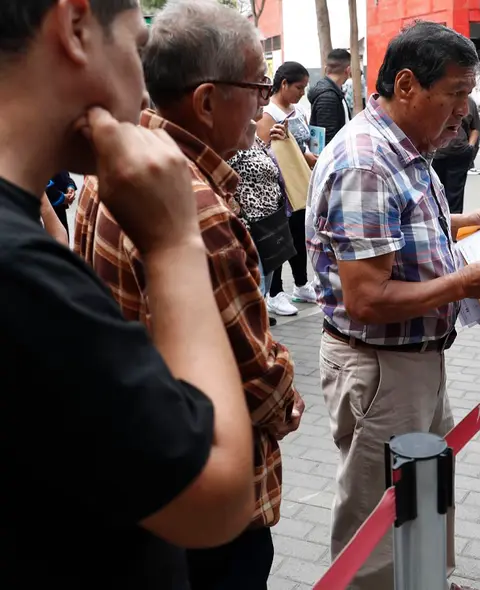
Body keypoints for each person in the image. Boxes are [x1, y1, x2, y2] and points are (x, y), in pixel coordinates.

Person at [1, 0, 255, 587]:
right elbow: (215, 495)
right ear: (75, 26)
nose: (145, 92)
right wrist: (173, 244)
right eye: (138, 49)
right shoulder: (23, 275)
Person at [74, 2, 302, 588]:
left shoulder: (122, 162)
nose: (262, 104)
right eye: (256, 87)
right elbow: (256, 382)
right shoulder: (196, 209)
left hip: (143, 471)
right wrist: (288, 397)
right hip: (210, 501)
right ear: (205, 101)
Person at [306, 21, 480, 590]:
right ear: (407, 85)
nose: (463, 112)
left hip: (416, 359)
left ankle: (426, 578)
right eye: (454, 95)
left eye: (468, 95)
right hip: (382, 369)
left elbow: (398, 227)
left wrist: (464, 222)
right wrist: (461, 284)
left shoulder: (403, 146)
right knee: (376, 517)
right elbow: (366, 298)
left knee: (428, 488)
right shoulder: (366, 163)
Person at [258, 61, 318, 316]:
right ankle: (275, 292)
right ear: (283, 84)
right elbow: (260, 151)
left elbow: (302, 147)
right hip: (277, 189)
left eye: (304, 88)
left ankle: (301, 283)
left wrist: (311, 158)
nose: (301, 93)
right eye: (298, 87)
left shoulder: (297, 110)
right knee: (280, 239)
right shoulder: (267, 113)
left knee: (298, 237)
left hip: (297, 184)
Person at [230, 115, 297, 308]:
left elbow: (268, 165)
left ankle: (261, 323)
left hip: (270, 221)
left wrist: (277, 143)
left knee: (265, 280)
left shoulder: (254, 139)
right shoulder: (230, 140)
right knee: (256, 284)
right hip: (251, 225)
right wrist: (234, 204)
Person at [432, 96, 480, 213]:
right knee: (435, 192)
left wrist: (470, 146)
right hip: (436, 154)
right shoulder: (436, 98)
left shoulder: (469, 102)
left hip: (460, 153)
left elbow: (475, 127)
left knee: (455, 194)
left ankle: (454, 226)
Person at [309, 49, 352, 145]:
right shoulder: (328, 97)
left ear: (326, 69)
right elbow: (329, 141)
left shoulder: (334, 91)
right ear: (348, 70)